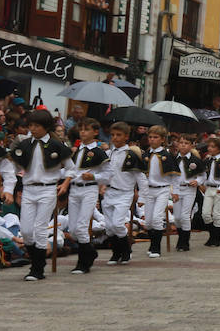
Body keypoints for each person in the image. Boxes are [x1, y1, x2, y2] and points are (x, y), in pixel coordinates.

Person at [8, 110, 70, 280]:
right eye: (30, 126)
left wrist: (63, 181)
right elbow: (13, 167)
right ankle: (36, 259)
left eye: (36, 126)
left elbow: (70, 168)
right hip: (28, 189)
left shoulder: (57, 145)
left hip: (47, 189)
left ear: (46, 127)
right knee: (27, 231)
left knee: (40, 228)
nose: (32, 129)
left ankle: (38, 268)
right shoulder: (25, 144)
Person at [63, 117, 109, 273]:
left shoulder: (98, 152)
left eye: (87, 129)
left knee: (82, 227)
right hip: (74, 189)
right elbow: (71, 171)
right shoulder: (76, 152)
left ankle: (83, 263)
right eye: (81, 129)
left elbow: (109, 174)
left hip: (89, 189)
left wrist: (95, 177)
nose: (83, 132)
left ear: (95, 132)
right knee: (74, 229)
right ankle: (90, 251)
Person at [102, 121, 144, 264]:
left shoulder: (130, 155)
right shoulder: (108, 153)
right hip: (109, 192)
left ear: (126, 137)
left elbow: (141, 177)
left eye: (119, 135)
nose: (115, 138)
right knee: (108, 226)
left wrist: (142, 196)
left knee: (117, 223)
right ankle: (116, 253)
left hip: (124, 193)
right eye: (113, 135)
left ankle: (126, 250)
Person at [140, 126, 174, 258]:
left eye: (155, 137)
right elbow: (142, 177)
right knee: (148, 221)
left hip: (163, 189)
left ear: (162, 139)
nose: (152, 140)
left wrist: (175, 192)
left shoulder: (167, 155)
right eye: (150, 137)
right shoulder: (146, 155)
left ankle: (156, 247)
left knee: (156, 218)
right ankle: (152, 243)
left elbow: (174, 176)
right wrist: (141, 196)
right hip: (149, 190)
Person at [170, 135, 203, 252]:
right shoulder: (173, 159)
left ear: (191, 145)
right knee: (177, 217)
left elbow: (203, 175)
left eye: (186, 143)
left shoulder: (195, 160)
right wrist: (172, 190)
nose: (183, 145)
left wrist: (197, 181)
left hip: (189, 189)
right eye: (181, 142)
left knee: (185, 216)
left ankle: (185, 242)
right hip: (177, 190)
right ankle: (180, 238)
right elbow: (170, 176)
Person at [199, 137, 220, 246]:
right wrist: (203, 183)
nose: (210, 148)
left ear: (219, 149)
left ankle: (216, 238)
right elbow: (204, 174)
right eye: (209, 146)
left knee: (217, 214)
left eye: (213, 147)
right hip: (209, 188)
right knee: (205, 214)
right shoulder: (208, 160)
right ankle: (212, 233)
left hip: (219, 189)